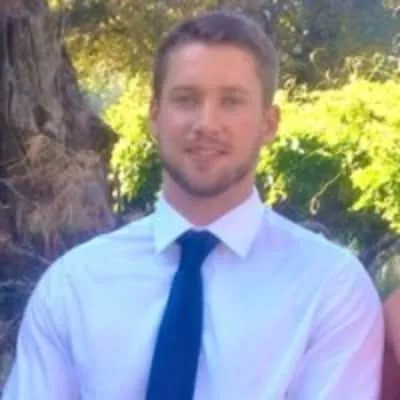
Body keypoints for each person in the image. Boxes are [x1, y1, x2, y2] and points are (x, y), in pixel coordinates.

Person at [2, 10, 383, 400]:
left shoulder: (328, 288)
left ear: (268, 123)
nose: (206, 123)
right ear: (155, 116)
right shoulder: (74, 286)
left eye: (231, 102)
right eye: (186, 99)